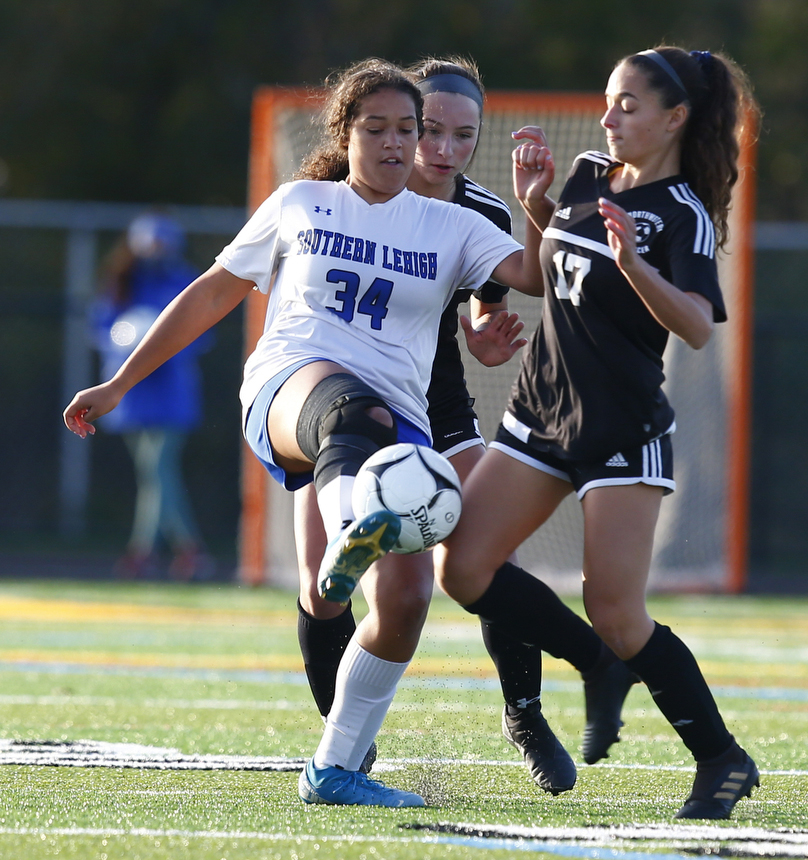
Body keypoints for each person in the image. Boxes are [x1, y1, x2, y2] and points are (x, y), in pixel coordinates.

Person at [63, 58, 546, 808]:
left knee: (411, 592)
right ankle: (360, 521)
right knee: (353, 413)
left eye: (406, 130)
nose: (397, 143)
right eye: (378, 128)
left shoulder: (454, 222)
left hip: (401, 417)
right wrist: (120, 382)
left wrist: (540, 205)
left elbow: (537, 277)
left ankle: (335, 768)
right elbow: (209, 295)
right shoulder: (302, 203)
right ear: (344, 132)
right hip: (293, 392)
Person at [438, 46, 762, 820]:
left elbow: (695, 326)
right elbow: (562, 272)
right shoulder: (587, 173)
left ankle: (721, 758)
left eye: (629, 105)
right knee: (463, 567)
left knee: (617, 613)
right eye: (609, 101)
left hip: (621, 428)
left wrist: (637, 264)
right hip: (539, 412)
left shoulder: (681, 210)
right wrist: (538, 205)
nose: (610, 117)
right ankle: (592, 667)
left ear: (675, 118)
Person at [291, 57, 585, 796]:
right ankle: (348, 748)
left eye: (463, 135)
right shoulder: (334, 196)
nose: (442, 149)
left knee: (487, 552)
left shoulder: (480, 211)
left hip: (433, 404)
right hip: (330, 401)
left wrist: (485, 329)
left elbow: (496, 294)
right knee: (324, 588)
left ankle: (525, 712)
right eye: (429, 130)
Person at [91, 213, 212, 581]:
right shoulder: (121, 283)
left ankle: (147, 552)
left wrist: (165, 348)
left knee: (158, 468)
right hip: (132, 392)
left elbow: (202, 333)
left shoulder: (183, 280)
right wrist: (123, 344)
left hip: (172, 390)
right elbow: (100, 328)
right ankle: (185, 551)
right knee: (152, 473)